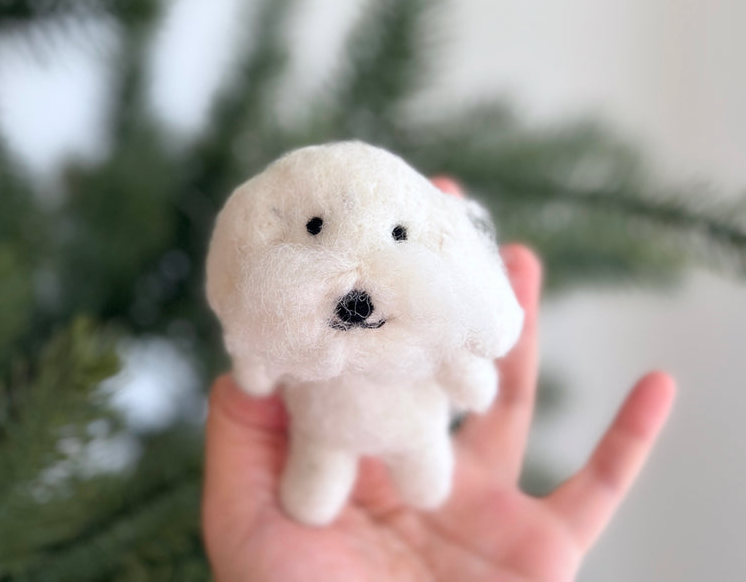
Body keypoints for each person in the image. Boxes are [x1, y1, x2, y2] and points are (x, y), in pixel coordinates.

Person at [202, 178, 675, 581]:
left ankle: (418, 477)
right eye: (315, 228)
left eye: (398, 234)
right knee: (316, 480)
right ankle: (325, 487)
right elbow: (260, 358)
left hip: (418, 427)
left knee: (425, 467)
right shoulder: (304, 342)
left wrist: (472, 381)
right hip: (323, 433)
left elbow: (457, 361)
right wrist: (257, 365)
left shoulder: (425, 332)